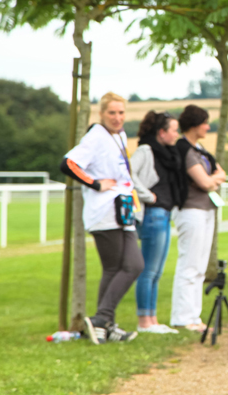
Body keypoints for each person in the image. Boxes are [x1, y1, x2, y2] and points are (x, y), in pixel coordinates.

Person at [60, 92, 142, 345]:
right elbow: (68, 163)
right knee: (128, 266)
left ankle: (105, 325)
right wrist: (95, 183)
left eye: (121, 113)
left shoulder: (119, 135)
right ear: (101, 114)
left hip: (123, 210)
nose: (117, 118)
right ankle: (101, 320)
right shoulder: (95, 137)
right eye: (112, 113)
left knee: (124, 266)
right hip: (104, 212)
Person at [171, 105, 226, 331]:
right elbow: (205, 182)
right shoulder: (184, 149)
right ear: (194, 125)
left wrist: (213, 179)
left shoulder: (199, 148)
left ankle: (194, 317)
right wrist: (213, 180)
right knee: (190, 264)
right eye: (204, 122)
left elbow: (219, 173)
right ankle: (182, 317)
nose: (208, 126)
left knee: (200, 266)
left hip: (206, 209)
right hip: (190, 210)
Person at [131, 111, 183, 334]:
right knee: (148, 270)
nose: (176, 134)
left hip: (163, 214)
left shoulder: (167, 154)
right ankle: (144, 321)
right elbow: (128, 174)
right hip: (152, 214)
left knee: (156, 271)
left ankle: (151, 320)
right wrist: (147, 195)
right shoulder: (146, 150)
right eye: (173, 130)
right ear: (162, 132)